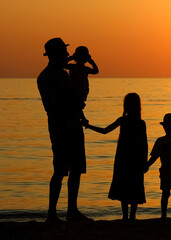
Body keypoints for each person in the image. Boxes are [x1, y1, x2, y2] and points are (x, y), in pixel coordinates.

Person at [37, 37, 92, 223]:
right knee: (60, 170)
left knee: (75, 169)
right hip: (61, 128)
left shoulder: (62, 74)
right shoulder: (46, 77)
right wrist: (75, 105)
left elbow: (71, 99)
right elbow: (53, 106)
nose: (67, 56)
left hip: (72, 125)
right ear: (55, 55)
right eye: (64, 52)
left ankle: (71, 211)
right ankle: (52, 213)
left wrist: (79, 113)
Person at [85, 93, 147, 220]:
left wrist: (88, 126)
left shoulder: (122, 120)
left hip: (123, 157)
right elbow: (144, 144)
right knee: (135, 184)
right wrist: (145, 161)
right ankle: (132, 216)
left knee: (123, 184)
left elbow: (104, 131)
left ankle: (125, 216)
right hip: (136, 157)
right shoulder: (141, 123)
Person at [66, 46, 99, 124]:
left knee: (78, 105)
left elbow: (96, 71)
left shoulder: (85, 69)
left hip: (82, 91)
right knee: (76, 104)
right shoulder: (72, 67)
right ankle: (83, 118)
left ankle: (82, 118)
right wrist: (71, 58)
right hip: (74, 90)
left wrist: (91, 61)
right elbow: (63, 64)